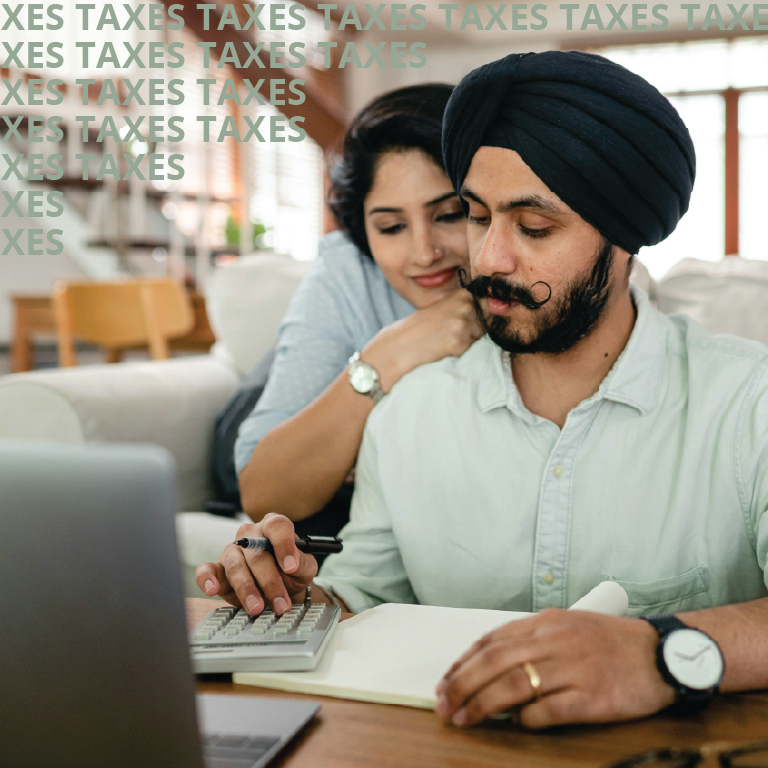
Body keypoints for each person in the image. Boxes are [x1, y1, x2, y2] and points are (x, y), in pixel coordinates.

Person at [197, 51, 768, 728]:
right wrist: (290, 598)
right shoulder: (408, 408)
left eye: (533, 227)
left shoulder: (747, 402)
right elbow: (366, 596)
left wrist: (658, 653)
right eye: (475, 215)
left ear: (626, 235)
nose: (488, 259)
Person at [234, 83, 482, 527]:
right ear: (362, 231)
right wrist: (390, 351)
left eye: (448, 215)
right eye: (390, 226)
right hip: (281, 406)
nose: (424, 253)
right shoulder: (346, 270)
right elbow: (262, 491)